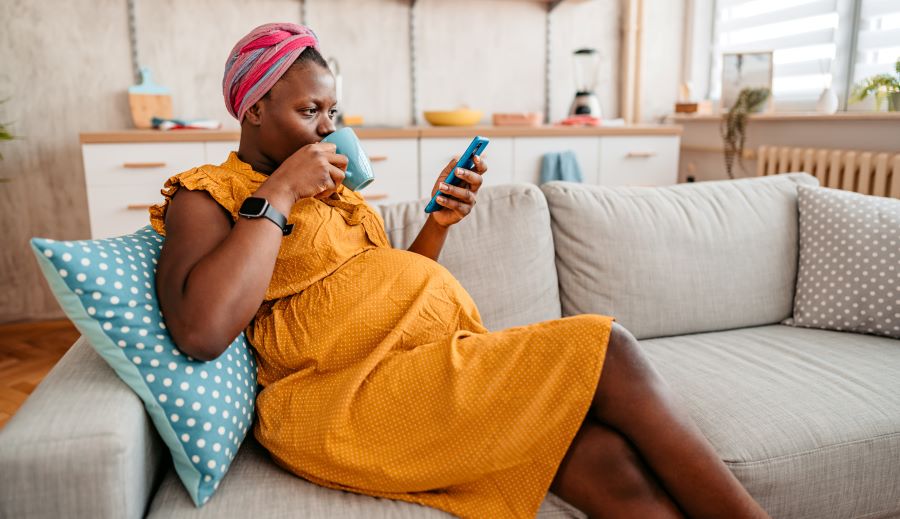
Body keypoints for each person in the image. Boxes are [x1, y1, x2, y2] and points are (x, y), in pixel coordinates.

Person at [150, 22, 770, 519]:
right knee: (608, 348)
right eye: (311, 111)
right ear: (254, 108)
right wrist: (280, 191)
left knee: (603, 462)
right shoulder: (209, 195)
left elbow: (388, 293)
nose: (329, 129)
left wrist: (439, 221)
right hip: (338, 398)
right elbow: (200, 328)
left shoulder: (333, 194)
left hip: (414, 363)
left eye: (333, 112)